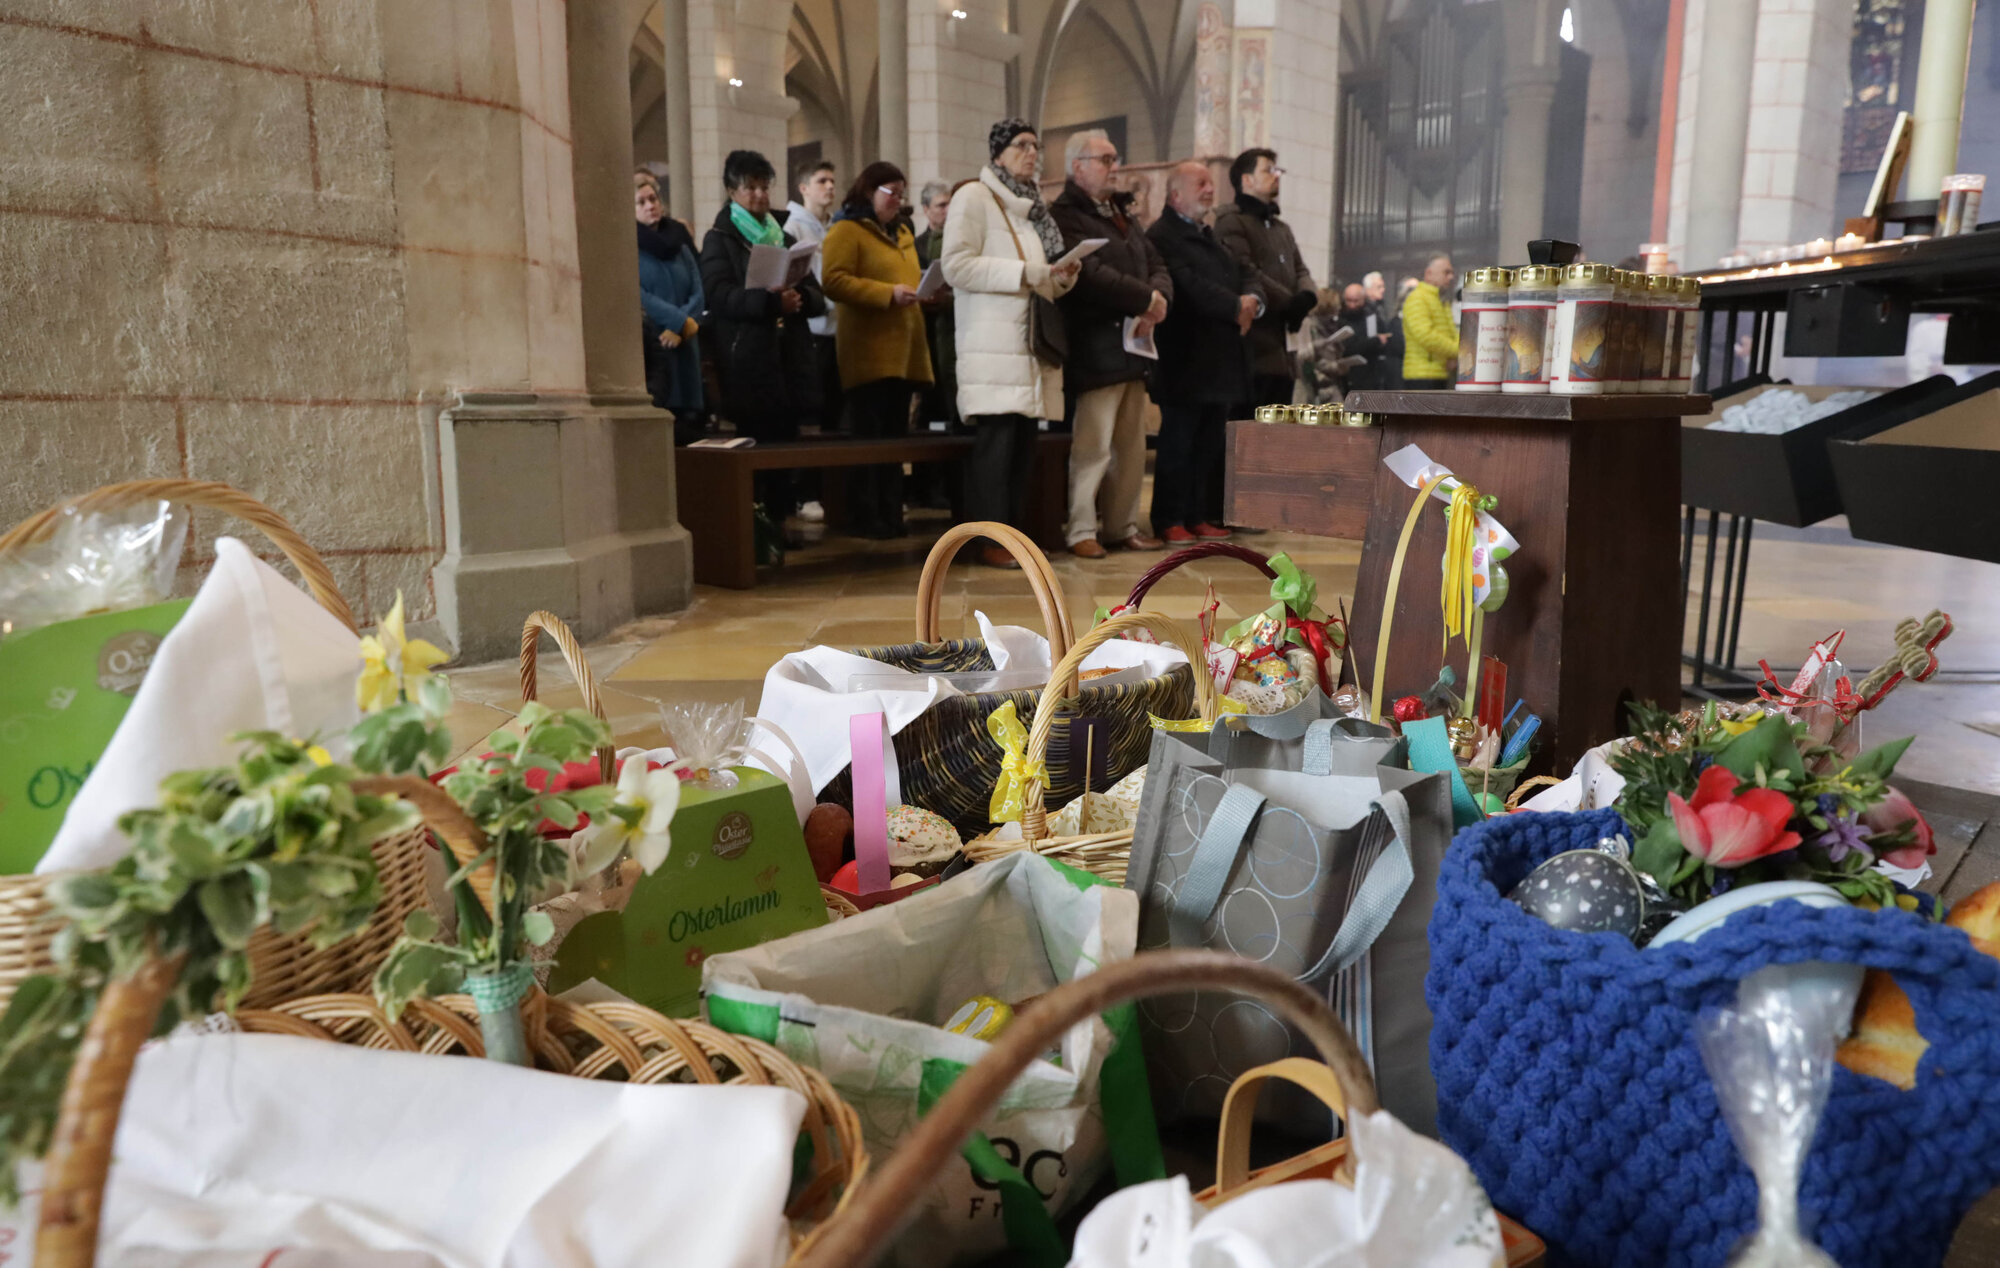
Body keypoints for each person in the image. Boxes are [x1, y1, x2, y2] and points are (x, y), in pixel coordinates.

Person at [941, 118, 1082, 570]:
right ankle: (987, 539)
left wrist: (1060, 279)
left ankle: (1014, 539)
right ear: (998, 152)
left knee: (1022, 446)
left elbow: (1036, 275)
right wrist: (1026, 274)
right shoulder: (973, 197)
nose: (1032, 153)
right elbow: (956, 266)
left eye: (1036, 146)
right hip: (991, 344)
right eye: (1022, 145)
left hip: (1026, 346)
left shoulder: (1032, 206)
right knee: (996, 448)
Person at [1049, 129, 1169, 558]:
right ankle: (1081, 528)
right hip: (1094, 345)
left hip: (1134, 347)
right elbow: (1090, 273)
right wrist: (1145, 298)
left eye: (1115, 158)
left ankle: (1122, 526)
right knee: (1093, 446)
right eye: (1106, 159)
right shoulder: (1063, 213)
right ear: (1077, 165)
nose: (1114, 166)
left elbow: (1155, 261)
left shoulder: (1122, 213)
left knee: (1131, 448)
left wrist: (1158, 297)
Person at [699, 149, 827, 520]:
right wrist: (770, 305)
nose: (758, 194)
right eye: (749, 187)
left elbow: (817, 296)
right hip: (748, 361)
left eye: (763, 186)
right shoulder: (720, 238)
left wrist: (799, 297)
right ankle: (759, 528)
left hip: (789, 359)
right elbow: (718, 295)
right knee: (758, 446)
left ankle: (783, 521)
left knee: (787, 447)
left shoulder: (783, 237)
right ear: (731, 191)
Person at [1146, 161, 1257, 545]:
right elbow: (1188, 286)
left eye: (1211, 183)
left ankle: (1196, 515)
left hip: (1219, 360)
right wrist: (1234, 307)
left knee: (1207, 444)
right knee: (1177, 444)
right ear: (1176, 194)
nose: (1210, 189)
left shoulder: (1210, 236)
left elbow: (1243, 272)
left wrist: (1251, 300)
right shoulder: (1162, 235)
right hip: (1184, 358)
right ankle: (1169, 517)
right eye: (1201, 183)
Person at [821, 161, 934, 539]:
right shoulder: (846, 229)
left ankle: (891, 511)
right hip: (868, 351)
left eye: (902, 194)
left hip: (904, 350)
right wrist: (886, 294)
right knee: (869, 440)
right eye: (891, 192)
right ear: (869, 191)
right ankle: (864, 514)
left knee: (894, 440)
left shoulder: (902, 233)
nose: (897, 200)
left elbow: (910, 280)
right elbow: (833, 280)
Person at [1214, 148, 1316, 410]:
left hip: (1283, 352)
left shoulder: (1282, 228)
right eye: (1268, 170)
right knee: (1247, 430)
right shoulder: (1231, 222)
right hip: (1254, 349)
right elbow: (1245, 271)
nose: (1276, 176)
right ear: (1246, 180)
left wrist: (1307, 296)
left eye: (1277, 170)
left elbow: (1301, 270)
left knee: (1277, 432)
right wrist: (1290, 303)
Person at [634, 172, 705, 441]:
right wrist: (678, 321)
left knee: (693, 428)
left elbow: (698, 292)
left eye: (653, 199)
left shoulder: (680, 244)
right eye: (641, 202)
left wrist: (683, 327)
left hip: (686, 341)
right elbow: (639, 295)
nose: (650, 205)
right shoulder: (629, 248)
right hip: (658, 342)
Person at [1298, 284, 1377, 404]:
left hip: (1331, 384)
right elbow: (1306, 357)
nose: (1340, 308)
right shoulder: (1309, 324)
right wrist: (1335, 366)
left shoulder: (1330, 325)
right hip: (1315, 386)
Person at [1401, 253, 1458, 390]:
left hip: (1439, 373)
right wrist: (1457, 351)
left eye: (1451, 272)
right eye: (1446, 272)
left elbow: (1451, 332)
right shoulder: (1417, 298)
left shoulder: (1439, 299)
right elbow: (1426, 335)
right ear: (1429, 273)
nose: (1450, 277)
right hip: (1421, 376)